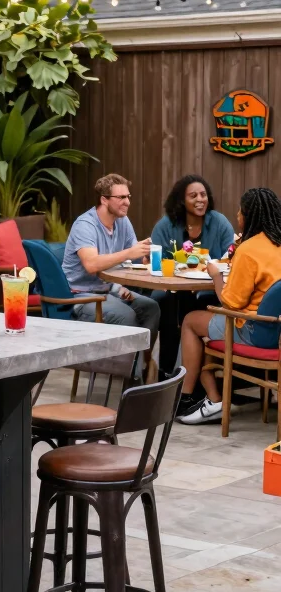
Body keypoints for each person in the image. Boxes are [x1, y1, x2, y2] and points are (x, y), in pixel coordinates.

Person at [177, 186, 281, 424]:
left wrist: (216, 276)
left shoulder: (249, 249)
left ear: (249, 215)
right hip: (278, 331)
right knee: (207, 323)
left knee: (191, 321)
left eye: (240, 211)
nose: (237, 215)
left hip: (256, 331)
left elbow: (231, 303)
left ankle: (187, 398)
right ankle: (212, 397)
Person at [62, 173, 160, 354]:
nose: (127, 202)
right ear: (104, 200)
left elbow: (134, 256)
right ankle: (130, 370)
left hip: (108, 290)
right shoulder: (85, 225)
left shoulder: (122, 221)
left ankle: (143, 364)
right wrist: (129, 253)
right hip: (80, 295)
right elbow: (91, 265)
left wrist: (146, 254)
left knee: (151, 308)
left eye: (128, 196)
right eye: (121, 197)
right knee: (126, 315)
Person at [151, 175, 235, 374]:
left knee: (199, 303)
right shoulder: (166, 225)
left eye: (203, 195)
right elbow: (156, 260)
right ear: (181, 200)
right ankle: (166, 372)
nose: (200, 199)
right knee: (163, 301)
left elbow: (231, 258)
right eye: (193, 195)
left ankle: (200, 376)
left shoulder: (219, 222)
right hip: (171, 288)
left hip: (211, 289)